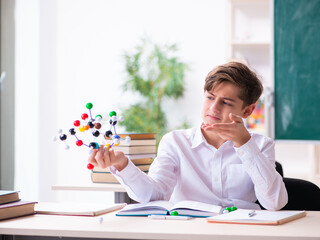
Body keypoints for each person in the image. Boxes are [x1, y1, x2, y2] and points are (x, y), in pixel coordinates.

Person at [88, 62, 288, 210]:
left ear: (247, 111)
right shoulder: (175, 142)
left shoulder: (261, 145)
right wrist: (124, 166)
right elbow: (154, 196)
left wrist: (245, 144)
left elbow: (274, 204)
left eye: (226, 102)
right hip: (187, 231)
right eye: (210, 97)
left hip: (241, 233)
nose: (213, 108)